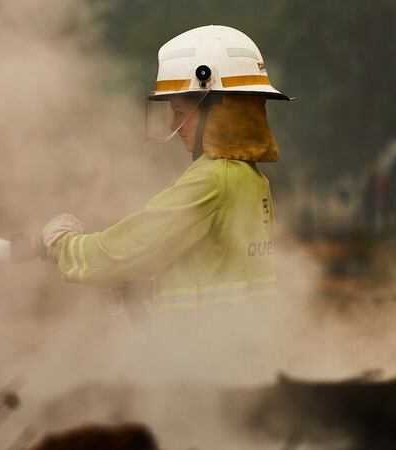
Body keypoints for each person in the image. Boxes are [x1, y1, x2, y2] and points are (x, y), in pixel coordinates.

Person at [41, 25, 291, 382]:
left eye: (180, 111)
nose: (175, 125)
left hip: (208, 374)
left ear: (217, 109)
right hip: (243, 364)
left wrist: (62, 246)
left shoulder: (212, 178)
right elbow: (215, 267)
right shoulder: (250, 179)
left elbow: (129, 249)